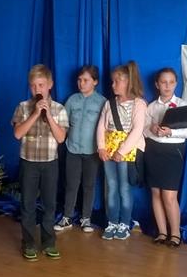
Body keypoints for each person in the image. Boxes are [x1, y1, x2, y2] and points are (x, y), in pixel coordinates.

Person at [12, 64, 69, 261]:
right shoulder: (23, 107)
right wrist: (35, 114)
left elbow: (60, 138)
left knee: (49, 204)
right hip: (28, 163)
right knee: (27, 204)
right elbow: (18, 134)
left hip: (50, 163)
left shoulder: (59, 109)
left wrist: (48, 115)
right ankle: (28, 243)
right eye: (33, 86)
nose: (37, 89)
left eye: (41, 85)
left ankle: (49, 242)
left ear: (50, 85)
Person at [144, 67, 187, 248]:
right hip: (153, 151)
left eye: (171, 82)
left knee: (169, 196)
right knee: (156, 193)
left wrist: (171, 132)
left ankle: (175, 233)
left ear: (176, 84)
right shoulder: (151, 106)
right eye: (163, 82)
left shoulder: (182, 105)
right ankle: (162, 232)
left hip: (173, 153)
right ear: (157, 84)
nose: (167, 86)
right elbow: (143, 129)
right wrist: (151, 129)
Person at [96, 61, 147, 241]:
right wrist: (101, 147)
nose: (113, 85)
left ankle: (124, 223)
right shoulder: (109, 104)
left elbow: (137, 129)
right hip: (109, 150)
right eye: (112, 81)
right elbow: (101, 126)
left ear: (128, 82)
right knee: (111, 187)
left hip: (127, 151)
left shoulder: (139, 104)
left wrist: (122, 151)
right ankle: (112, 222)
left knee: (124, 188)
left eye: (117, 81)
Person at [55, 65, 105, 233]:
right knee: (71, 184)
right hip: (73, 149)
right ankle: (67, 217)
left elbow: (105, 126)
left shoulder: (102, 102)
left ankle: (86, 218)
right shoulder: (72, 100)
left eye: (86, 80)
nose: (81, 83)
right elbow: (64, 123)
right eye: (79, 80)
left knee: (89, 185)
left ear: (95, 82)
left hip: (92, 151)